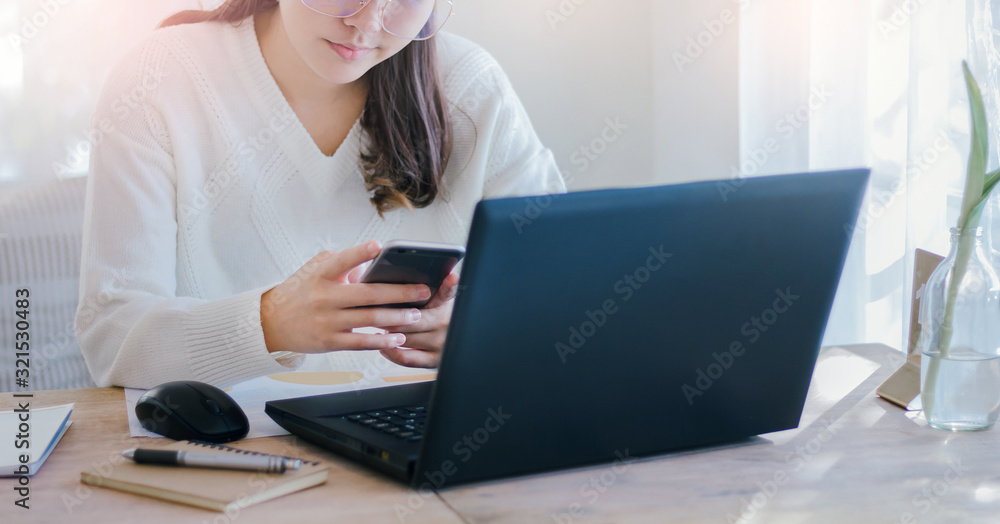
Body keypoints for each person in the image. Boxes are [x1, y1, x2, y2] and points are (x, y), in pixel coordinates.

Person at [75, 0, 565, 389]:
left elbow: (565, 291)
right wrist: (267, 324)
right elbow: (112, 336)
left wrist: (480, 327)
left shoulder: (472, 85)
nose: (368, 23)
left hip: (420, 445)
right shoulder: (159, 77)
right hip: (229, 451)